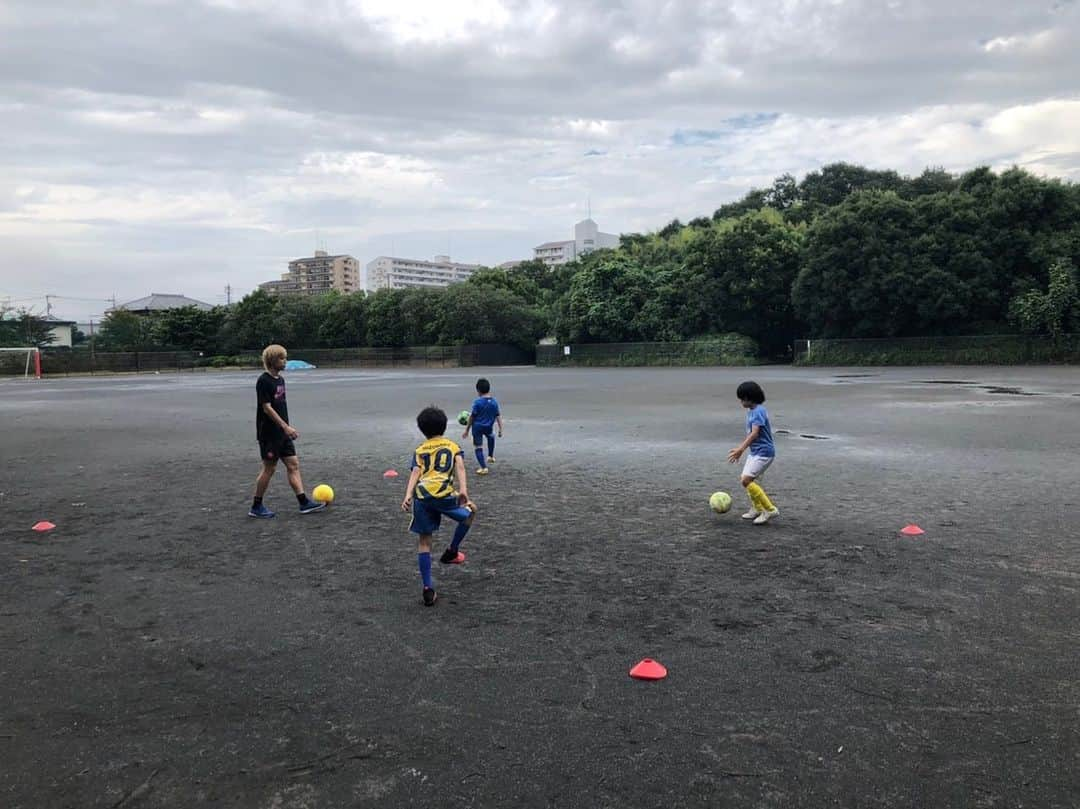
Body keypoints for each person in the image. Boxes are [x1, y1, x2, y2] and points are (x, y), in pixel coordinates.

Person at [401, 405, 477, 607]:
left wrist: (408, 494)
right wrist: (463, 490)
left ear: (422, 429)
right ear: (444, 426)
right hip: (444, 495)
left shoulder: (420, 450)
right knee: (471, 513)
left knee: (424, 541)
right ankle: (452, 550)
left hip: (423, 496)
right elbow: (460, 466)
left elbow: (415, 473)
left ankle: (427, 588)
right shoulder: (452, 446)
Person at [248, 344, 326, 518]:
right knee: (269, 468)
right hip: (269, 433)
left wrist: (286, 429)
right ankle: (256, 506)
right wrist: (285, 426)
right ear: (272, 360)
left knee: (293, 465)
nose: (285, 361)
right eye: (282, 358)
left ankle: (303, 502)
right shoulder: (264, 381)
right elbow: (267, 408)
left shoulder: (280, 380)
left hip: (283, 433)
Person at [727, 380, 779, 525]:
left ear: (750, 398)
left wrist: (740, 449)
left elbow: (754, 433)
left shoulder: (757, 412)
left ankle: (769, 509)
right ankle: (757, 508)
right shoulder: (753, 411)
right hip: (756, 452)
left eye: (742, 399)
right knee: (748, 480)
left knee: (746, 480)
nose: (741, 402)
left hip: (764, 453)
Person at [461, 377, 503, 475]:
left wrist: (467, 429)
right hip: (488, 427)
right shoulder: (494, 402)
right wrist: (501, 428)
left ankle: (483, 467)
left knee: (478, 447)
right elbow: (498, 416)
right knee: (491, 436)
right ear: (489, 389)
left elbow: (472, 417)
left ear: (478, 390)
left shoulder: (477, 403)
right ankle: (490, 456)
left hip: (477, 428)